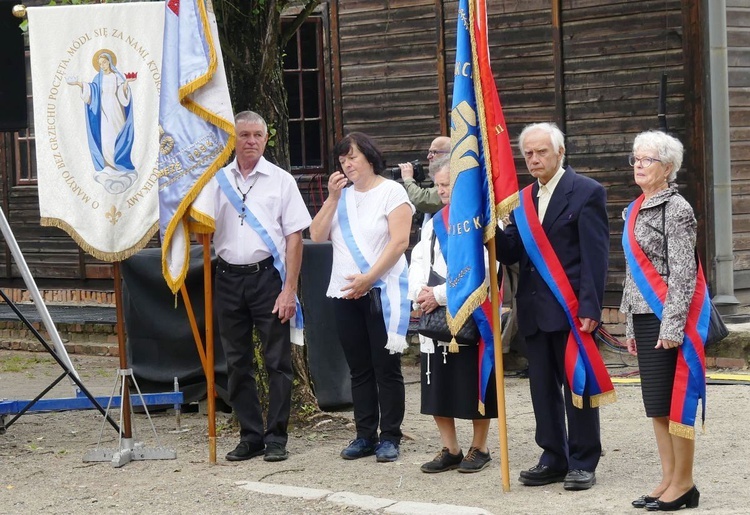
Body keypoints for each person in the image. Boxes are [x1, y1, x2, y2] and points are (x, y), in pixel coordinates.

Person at [495, 122, 610, 491]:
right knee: (541, 390)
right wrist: (489, 229)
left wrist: (591, 307)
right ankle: (553, 456)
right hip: (532, 311)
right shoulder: (523, 199)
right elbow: (512, 251)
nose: (534, 158)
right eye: (528, 152)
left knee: (578, 386)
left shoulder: (587, 192)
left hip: (570, 309)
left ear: (560, 152)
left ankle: (582, 460)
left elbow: (595, 257)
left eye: (541, 151)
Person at [211, 111, 311, 463]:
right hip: (226, 278)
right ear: (233, 139)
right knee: (237, 362)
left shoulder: (281, 181)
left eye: (257, 135)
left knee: (277, 361)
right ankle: (250, 436)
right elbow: (200, 226)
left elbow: (295, 236)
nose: (251, 141)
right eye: (244, 135)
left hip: (267, 278)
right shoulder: (216, 180)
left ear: (266, 139)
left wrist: (289, 289)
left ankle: (277, 437)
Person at [310, 132, 413, 463]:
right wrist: (331, 198)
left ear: (369, 156)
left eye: (352, 157)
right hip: (344, 291)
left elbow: (399, 242)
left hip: (380, 291)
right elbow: (316, 234)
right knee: (359, 368)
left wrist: (370, 278)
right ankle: (364, 434)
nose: (347, 164)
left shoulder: (391, 191)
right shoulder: (342, 198)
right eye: (342, 160)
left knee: (386, 366)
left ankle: (390, 435)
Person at [620, 131, 703, 511]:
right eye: (636, 158)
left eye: (647, 159)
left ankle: (684, 483)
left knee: (675, 403)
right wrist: (629, 326)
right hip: (643, 315)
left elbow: (684, 273)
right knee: (656, 405)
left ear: (667, 167)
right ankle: (668, 477)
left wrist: (672, 327)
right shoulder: (635, 208)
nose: (639, 164)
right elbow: (631, 273)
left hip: (668, 316)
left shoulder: (677, 208)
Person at [408, 162, 496, 474]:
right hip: (432, 310)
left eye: (449, 185)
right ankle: (450, 447)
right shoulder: (434, 222)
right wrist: (419, 293)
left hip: (468, 312)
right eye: (439, 185)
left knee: (471, 383)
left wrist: (440, 295)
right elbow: (419, 258)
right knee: (436, 384)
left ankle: (479, 447)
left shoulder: (479, 220)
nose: (442, 191)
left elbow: (485, 269)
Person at [67, 50, 137, 193]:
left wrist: (126, 84)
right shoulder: (97, 78)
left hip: (116, 109)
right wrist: (79, 84)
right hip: (103, 111)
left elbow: (123, 94)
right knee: (106, 139)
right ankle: (109, 166)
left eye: (104, 62)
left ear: (110, 62)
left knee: (117, 135)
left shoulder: (117, 76)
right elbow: (91, 91)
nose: (102, 65)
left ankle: (119, 165)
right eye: (100, 64)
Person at [398, 136, 451, 214]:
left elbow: (425, 200)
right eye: (429, 152)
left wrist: (408, 179)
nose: (428, 156)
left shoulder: (452, 171)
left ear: (449, 153)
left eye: (434, 152)